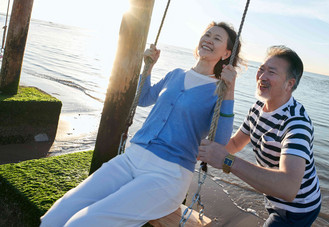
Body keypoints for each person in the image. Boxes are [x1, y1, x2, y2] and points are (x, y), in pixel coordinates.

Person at [40, 21, 243, 227]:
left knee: (85, 222)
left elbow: (219, 142)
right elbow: (144, 97)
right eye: (207, 34)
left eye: (217, 38)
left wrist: (230, 91)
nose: (208, 39)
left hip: (168, 175)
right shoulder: (176, 74)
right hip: (131, 158)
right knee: (59, 213)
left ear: (226, 54)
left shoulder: (219, 90)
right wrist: (148, 68)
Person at [198, 45, 322, 227]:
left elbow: (288, 188)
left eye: (271, 72)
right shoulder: (258, 107)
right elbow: (234, 144)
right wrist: (201, 152)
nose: (262, 76)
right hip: (273, 198)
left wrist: (227, 161)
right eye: (261, 69)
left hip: (298, 209)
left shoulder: (297, 124)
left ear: (290, 84)